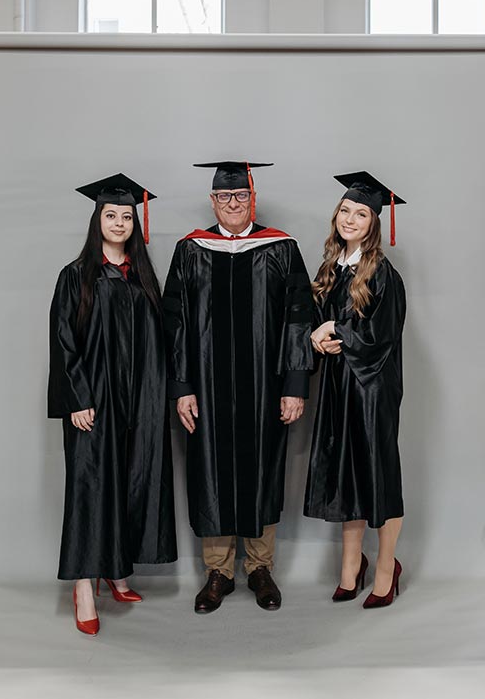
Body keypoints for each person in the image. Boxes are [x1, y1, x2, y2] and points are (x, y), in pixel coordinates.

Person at [163, 161, 315, 613]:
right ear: (213, 201)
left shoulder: (282, 248)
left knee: (262, 472)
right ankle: (218, 572)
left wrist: (294, 384)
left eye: (241, 197)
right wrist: (182, 386)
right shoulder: (191, 250)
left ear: (253, 199)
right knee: (210, 472)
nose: (233, 204)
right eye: (225, 198)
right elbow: (176, 323)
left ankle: (260, 568)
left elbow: (298, 318)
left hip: (265, 388)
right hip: (207, 388)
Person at [47, 173, 177, 636]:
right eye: (111, 214)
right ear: (96, 219)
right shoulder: (76, 276)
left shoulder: (142, 277)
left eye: (126, 216)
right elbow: (63, 344)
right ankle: (84, 585)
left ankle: (116, 569)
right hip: (94, 402)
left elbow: (159, 342)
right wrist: (78, 398)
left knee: (129, 482)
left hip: (139, 401)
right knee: (90, 488)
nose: (119, 222)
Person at [304, 171, 407, 609]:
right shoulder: (331, 267)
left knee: (377, 474)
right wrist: (317, 335)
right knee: (346, 474)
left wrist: (336, 329)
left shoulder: (383, 272)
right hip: (338, 385)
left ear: (373, 223)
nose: (350, 219)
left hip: (372, 390)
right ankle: (350, 566)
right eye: (345, 210)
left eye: (360, 213)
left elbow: (381, 336)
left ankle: (386, 567)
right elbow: (318, 322)